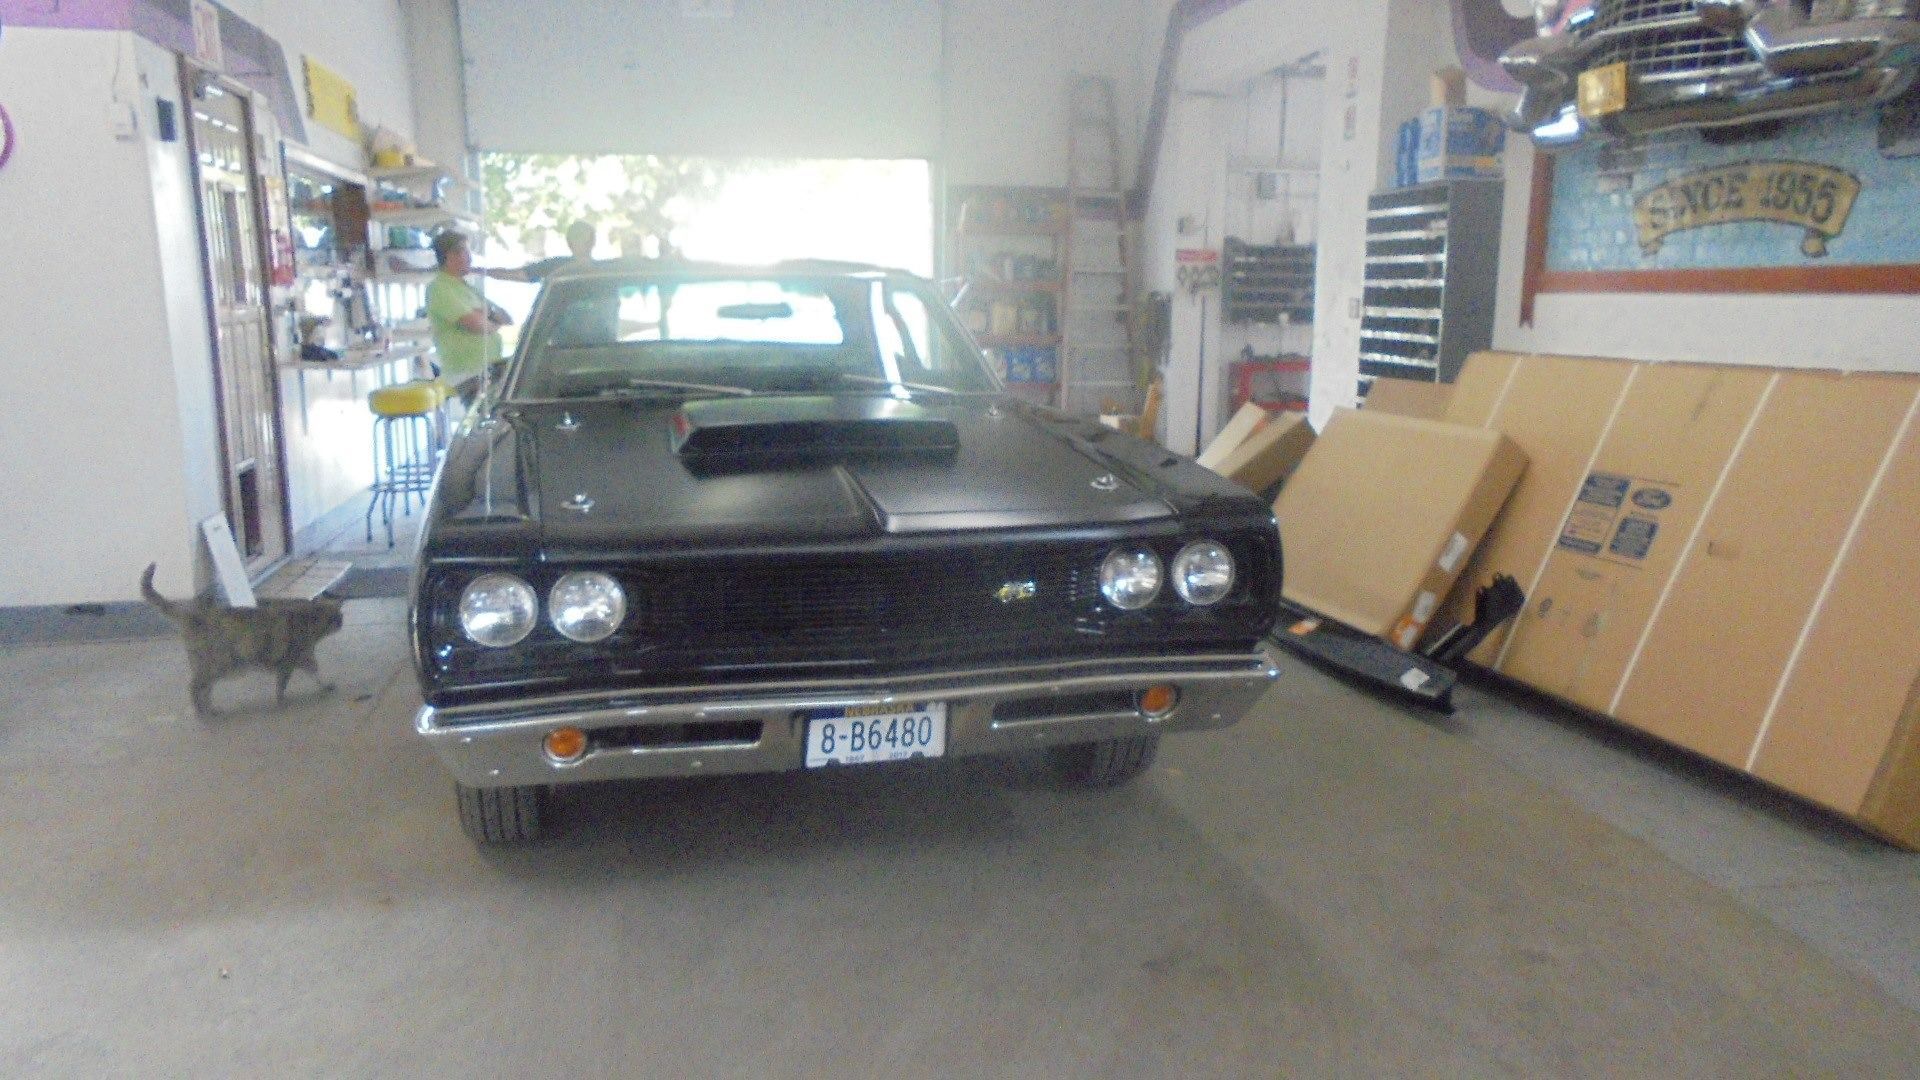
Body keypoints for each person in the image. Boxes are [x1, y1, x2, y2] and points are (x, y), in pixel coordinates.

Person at [425, 231, 510, 406]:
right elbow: (475, 324)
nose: (470, 258)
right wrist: (491, 320)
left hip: (489, 370)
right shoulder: (440, 288)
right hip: (469, 375)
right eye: (465, 252)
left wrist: (488, 316)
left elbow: (506, 317)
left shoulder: (466, 287)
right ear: (450, 256)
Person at [485, 220, 597, 283]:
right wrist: (481, 272)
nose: (585, 242)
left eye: (587, 238)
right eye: (578, 236)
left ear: (593, 242)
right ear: (569, 242)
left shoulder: (607, 269)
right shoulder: (555, 266)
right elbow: (518, 274)